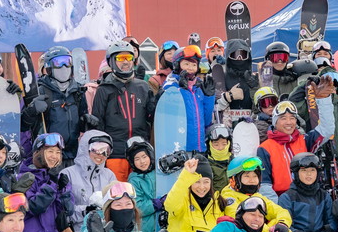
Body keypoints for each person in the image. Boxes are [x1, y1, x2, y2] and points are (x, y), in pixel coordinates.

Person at [90, 41, 157, 180]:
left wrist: (156, 105)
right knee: (119, 192)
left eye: (129, 58)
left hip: (140, 153)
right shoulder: (104, 89)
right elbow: (98, 123)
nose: (125, 62)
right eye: (120, 58)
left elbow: (151, 119)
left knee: (140, 193)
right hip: (116, 153)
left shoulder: (143, 86)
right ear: (112, 62)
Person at [17, 132, 78, 232]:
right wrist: (51, 184)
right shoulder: (23, 178)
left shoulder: (58, 177)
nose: (54, 156)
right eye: (50, 151)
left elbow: (69, 210)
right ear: (37, 153)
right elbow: (33, 207)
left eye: (58, 152)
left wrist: (63, 191)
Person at [22, 45, 89, 163]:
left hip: (73, 156)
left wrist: (88, 122)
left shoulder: (77, 91)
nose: (64, 67)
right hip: (48, 156)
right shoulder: (40, 90)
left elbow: (81, 125)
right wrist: (32, 110)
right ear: (48, 67)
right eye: (58, 62)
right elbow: (23, 126)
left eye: (67, 62)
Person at [257, 99, 331, 197]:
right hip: (281, 199)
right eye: (283, 118)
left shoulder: (304, 140)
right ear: (275, 122)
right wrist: (279, 209)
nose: (289, 122)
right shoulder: (265, 148)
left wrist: (324, 99)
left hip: (307, 197)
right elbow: (265, 185)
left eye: (292, 118)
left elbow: (327, 129)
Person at [163, 44, 217, 151]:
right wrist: (182, 89)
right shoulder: (170, 85)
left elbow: (206, 121)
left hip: (199, 146)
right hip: (180, 147)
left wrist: (209, 97)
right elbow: (170, 114)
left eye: (193, 65)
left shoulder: (198, 87)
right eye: (186, 64)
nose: (190, 68)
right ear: (177, 65)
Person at [59, 130, 118, 223]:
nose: (100, 154)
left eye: (106, 151)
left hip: (104, 231)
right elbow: (61, 210)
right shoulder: (67, 174)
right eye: (95, 149)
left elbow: (116, 205)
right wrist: (86, 211)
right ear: (85, 148)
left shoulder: (109, 175)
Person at [214, 39, 259, 126]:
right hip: (227, 124)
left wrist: (254, 89)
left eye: (243, 55)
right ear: (228, 56)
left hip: (250, 124)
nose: (239, 58)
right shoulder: (221, 77)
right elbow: (214, 107)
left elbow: (261, 107)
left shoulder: (253, 78)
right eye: (235, 55)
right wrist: (228, 96)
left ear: (248, 57)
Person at [124, 136, 161, 232]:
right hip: (147, 228)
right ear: (132, 162)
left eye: (144, 157)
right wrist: (154, 204)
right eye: (137, 159)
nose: (142, 162)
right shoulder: (134, 180)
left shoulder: (159, 173)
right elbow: (137, 207)